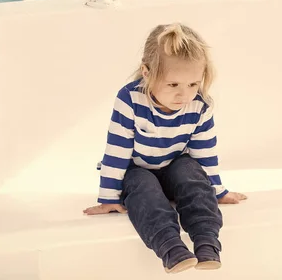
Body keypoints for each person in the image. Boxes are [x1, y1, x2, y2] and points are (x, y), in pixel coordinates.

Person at [83, 23, 247, 274]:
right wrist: (108, 197)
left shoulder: (200, 105)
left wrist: (217, 190)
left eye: (193, 84)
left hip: (173, 167)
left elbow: (205, 154)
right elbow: (116, 150)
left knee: (190, 172)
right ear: (147, 73)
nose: (184, 94)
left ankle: (207, 243)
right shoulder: (130, 99)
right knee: (143, 185)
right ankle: (171, 248)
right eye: (173, 85)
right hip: (136, 168)